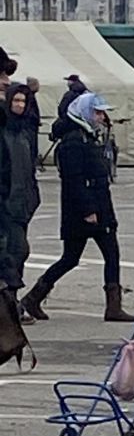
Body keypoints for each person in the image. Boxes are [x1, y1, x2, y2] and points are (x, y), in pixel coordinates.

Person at [20, 93, 130, 323]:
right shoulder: (73, 140)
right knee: (74, 257)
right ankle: (33, 297)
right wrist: (88, 210)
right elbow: (73, 179)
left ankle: (112, 306)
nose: (101, 117)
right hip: (84, 209)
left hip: (99, 204)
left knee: (104, 254)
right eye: (97, 112)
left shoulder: (88, 137)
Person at [2, 85, 41, 289]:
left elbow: (29, 168)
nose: (19, 105)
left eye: (23, 101)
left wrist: (33, 195)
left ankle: (12, 303)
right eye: (15, 100)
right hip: (7, 203)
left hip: (23, 204)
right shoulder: (4, 131)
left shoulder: (25, 132)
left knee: (16, 254)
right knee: (17, 250)